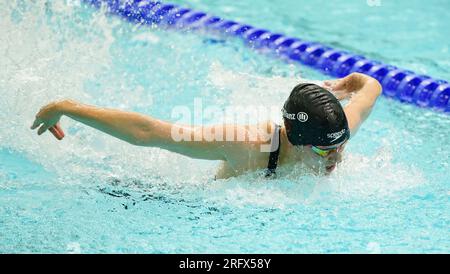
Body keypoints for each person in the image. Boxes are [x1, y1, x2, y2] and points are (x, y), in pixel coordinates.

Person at [31, 72, 382, 179]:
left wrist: (342, 87)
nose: (336, 158)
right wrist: (68, 108)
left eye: (341, 145)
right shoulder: (246, 144)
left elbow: (372, 87)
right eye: (325, 150)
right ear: (297, 138)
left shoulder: (334, 130)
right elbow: (149, 133)